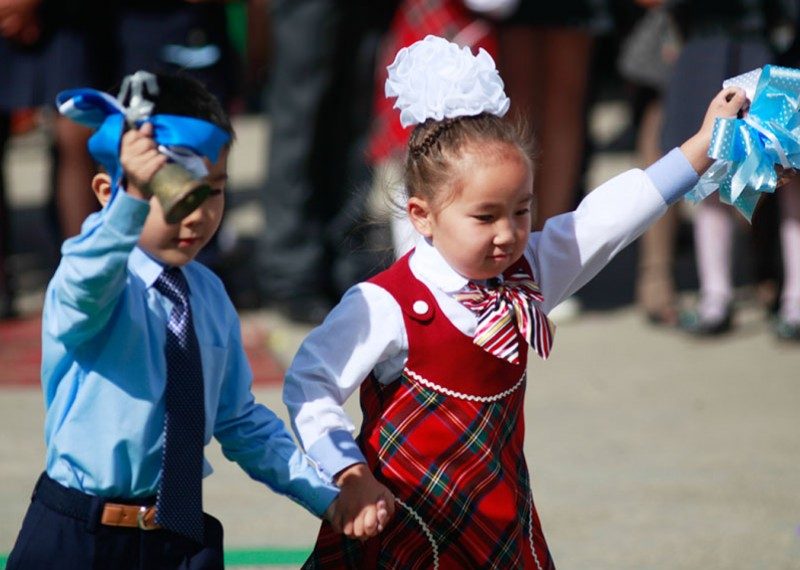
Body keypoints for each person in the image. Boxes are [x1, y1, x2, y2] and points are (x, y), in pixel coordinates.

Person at [282, 35, 746, 567]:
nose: (507, 233)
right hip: (398, 521)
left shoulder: (528, 274)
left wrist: (701, 146)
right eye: (485, 216)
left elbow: (608, 218)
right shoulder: (386, 302)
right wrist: (349, 473)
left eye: (521, 211)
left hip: (495, 523)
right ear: (421, 215)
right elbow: (311, 382)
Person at [4, 72, 359, 570]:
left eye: (212, 192)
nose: (197, 214)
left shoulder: (208, 295)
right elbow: (88, 280)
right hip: (81, 538)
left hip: (177, 535)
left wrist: (326, 494)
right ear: (110, 191)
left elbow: (238, 419)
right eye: (174, 193)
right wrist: (131, 200)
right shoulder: (95, 278)